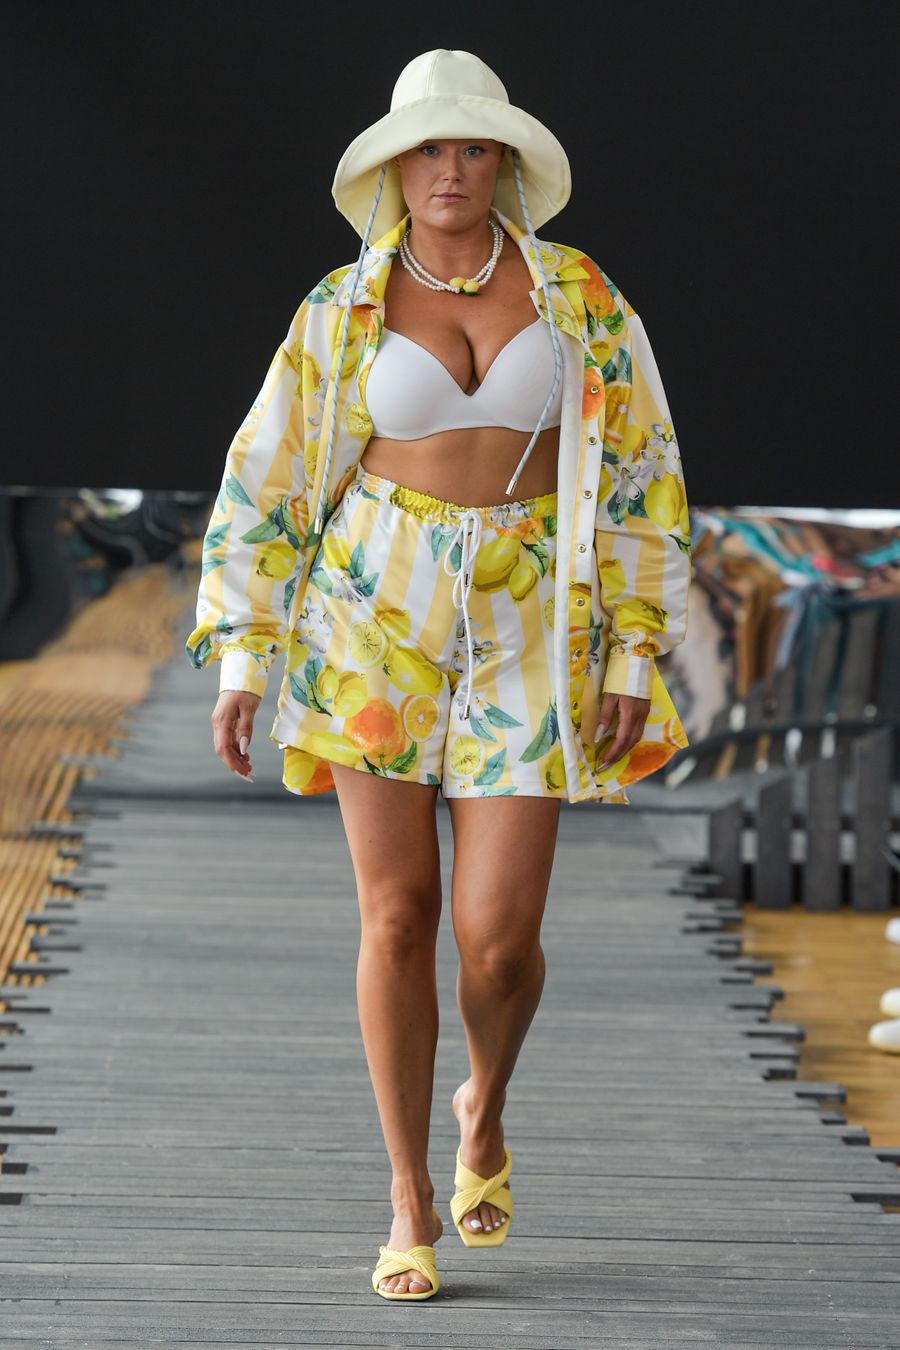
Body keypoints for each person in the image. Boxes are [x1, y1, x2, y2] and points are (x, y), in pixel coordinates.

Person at [185, 49, 692, 1301]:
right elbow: (266, 476)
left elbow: (642, 471)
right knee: (398, 914)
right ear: (394, 169)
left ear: (503, 165)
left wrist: (634, 644)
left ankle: (485, 1106)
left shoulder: (579, 296)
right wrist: (245, 651)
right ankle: (408, 1194)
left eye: (472, 148)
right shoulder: (341, 307)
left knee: (499, 943)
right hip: (373, 614)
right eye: (428, 149)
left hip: (535, 626)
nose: (450, 170)